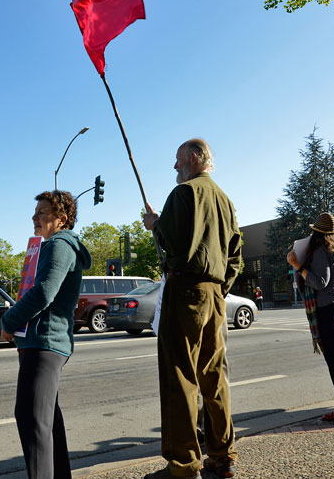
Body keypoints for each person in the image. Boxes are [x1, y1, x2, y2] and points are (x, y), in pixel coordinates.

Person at [142, 139, 241, 479]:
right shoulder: (225, 201)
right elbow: (236, 255)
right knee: (215, 376)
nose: (175, 167)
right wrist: (219, 287)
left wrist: (155, 224)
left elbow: (173, 242)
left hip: (186, 291)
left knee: (180, 377)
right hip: (214, 295)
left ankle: (183, 465)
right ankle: (223, 455)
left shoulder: (184, 195)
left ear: (195, 158)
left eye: (178, 160)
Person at [0, 190, 91, 479]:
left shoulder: (59, 245)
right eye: (35, 212)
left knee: (32, 420)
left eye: (41, 213)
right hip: (43, 342)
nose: (34, 217)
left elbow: (44, 293)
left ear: (61, 219)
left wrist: (9, 320)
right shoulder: (53, 245)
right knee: (46, 419)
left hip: (45, 343)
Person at [286, 212, 334, 422]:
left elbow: (320, 282)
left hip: (327, 307)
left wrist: (299, 267)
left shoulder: (322, 250)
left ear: (317, 233)